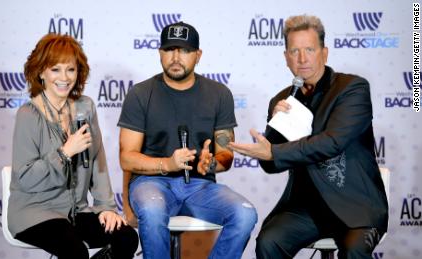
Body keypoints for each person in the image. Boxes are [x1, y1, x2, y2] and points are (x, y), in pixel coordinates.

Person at [228, 15, 388, 259]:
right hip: (305, 208)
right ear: (286, 58)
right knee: (269, 242)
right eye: (295, 51)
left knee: (354, 251)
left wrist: (274, 151)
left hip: (355, 205)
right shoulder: (282, 100)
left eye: (309, 49)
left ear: (324, 53)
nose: (302, 59)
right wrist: (274, 128)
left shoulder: (352, 88)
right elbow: (270, 165)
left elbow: (332, 142)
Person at [117, 21, 257, 259]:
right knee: (151, 210)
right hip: (151, 184)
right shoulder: (140, 94)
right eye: (169, 49)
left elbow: (225, 156)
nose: (176, 57)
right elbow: (127, 158)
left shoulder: (219, 94)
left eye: (184, 50)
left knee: (245, 214)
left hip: (200, 187)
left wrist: (211, 163)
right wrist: (167, 164)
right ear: (160, 53)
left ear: (198, 55)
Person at [9, 33, 138, 259]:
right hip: (35, 212)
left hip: (76, 211)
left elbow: (98, 161)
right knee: (75, 251)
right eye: (55, 69)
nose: (64, 77)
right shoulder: (28, 115)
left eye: (71, 69)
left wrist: (106, 207)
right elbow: (25, 178)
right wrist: (65, 152)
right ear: (41, 72)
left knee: (126, 237)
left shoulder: (85, 107)